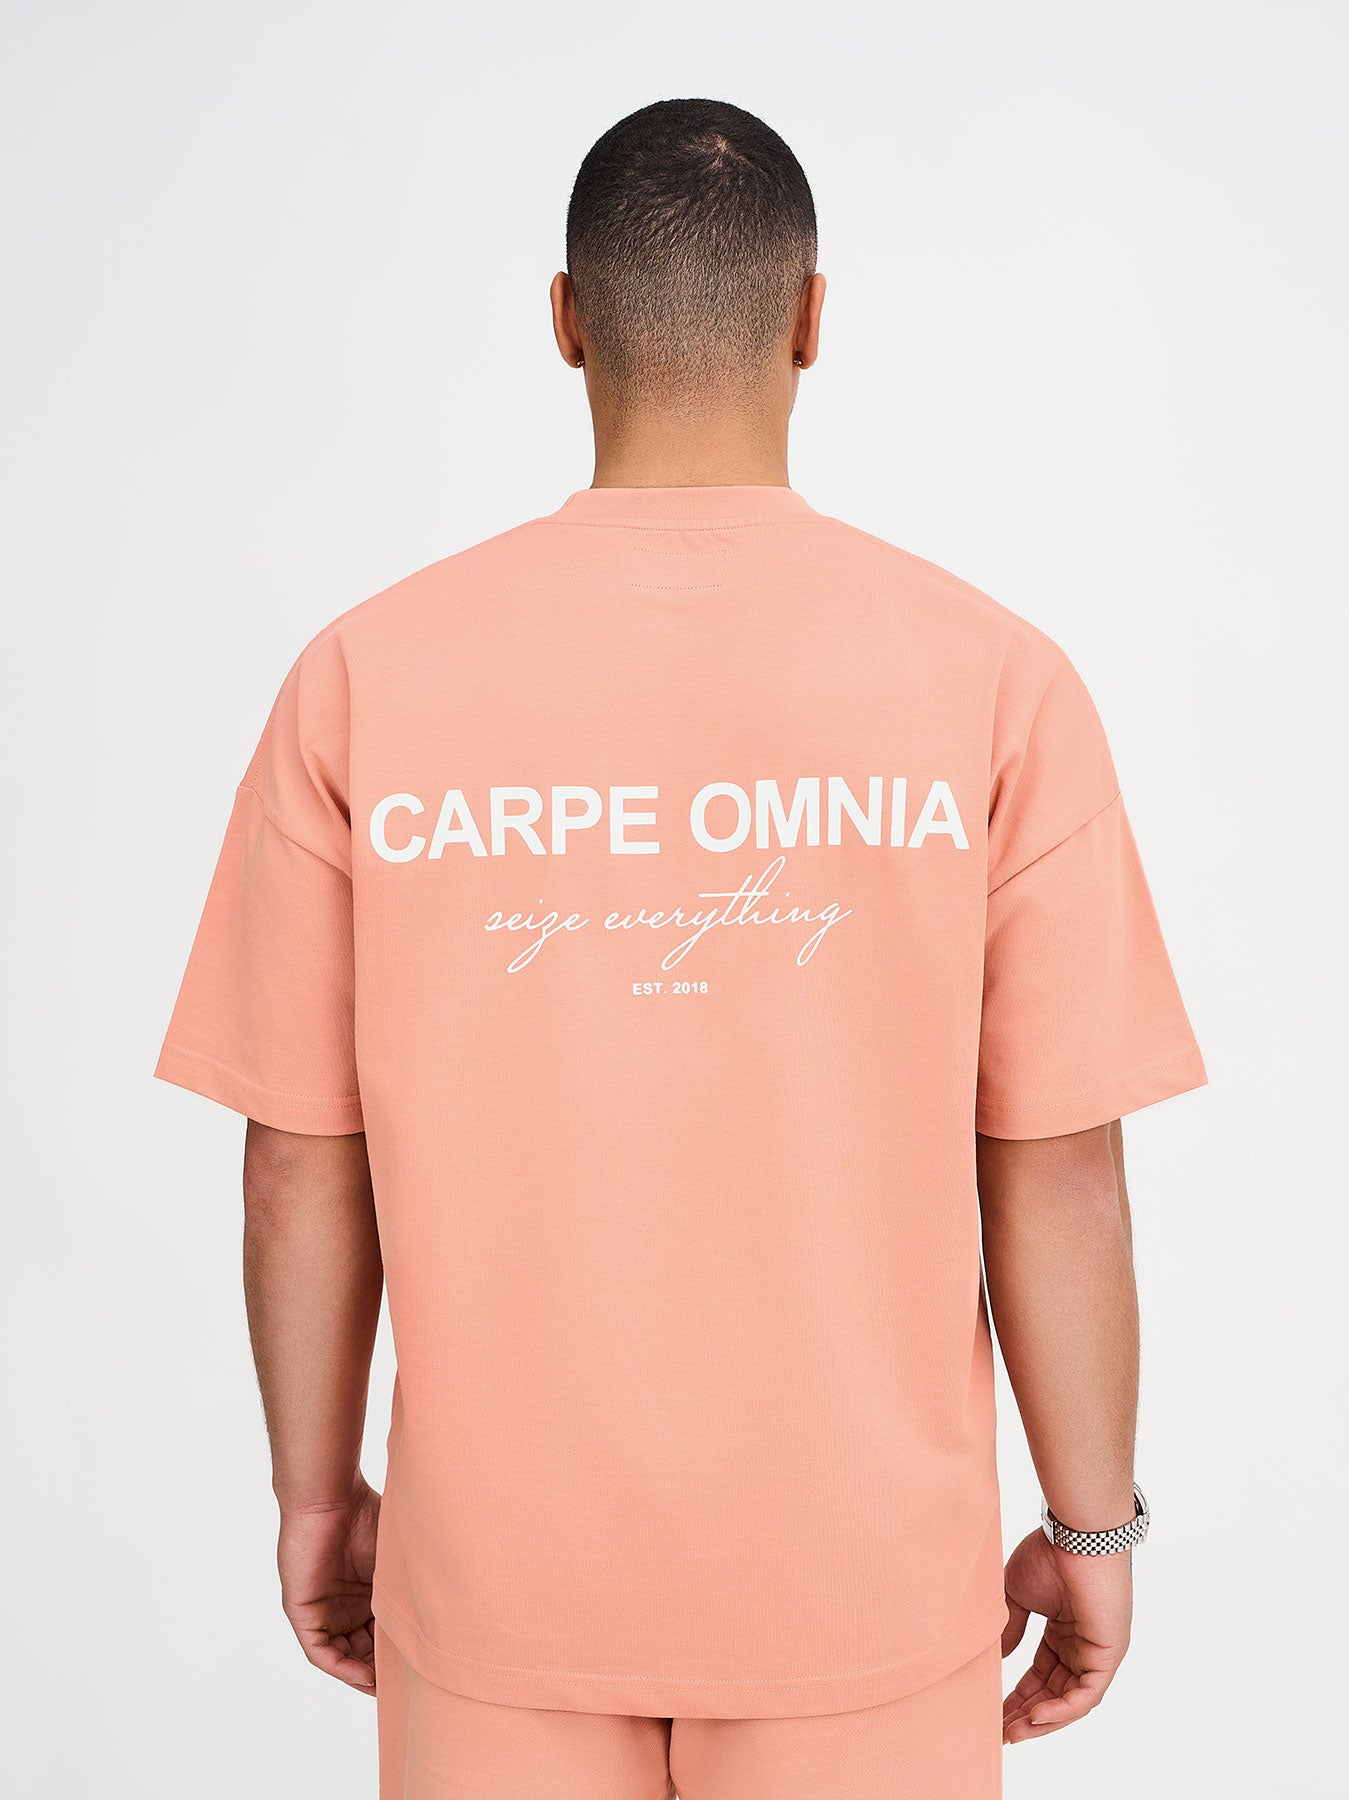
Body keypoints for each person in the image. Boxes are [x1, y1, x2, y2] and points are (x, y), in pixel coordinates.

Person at [156, 97, 1206, 1800]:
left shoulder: (366, 675)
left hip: (495, 1583)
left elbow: (297, 1159)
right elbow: (1061, 1166)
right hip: (864, 1590)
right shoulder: (994, 680)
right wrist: (1092, 1527)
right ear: (810, 319)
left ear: (566, 320)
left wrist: (317, 1497)